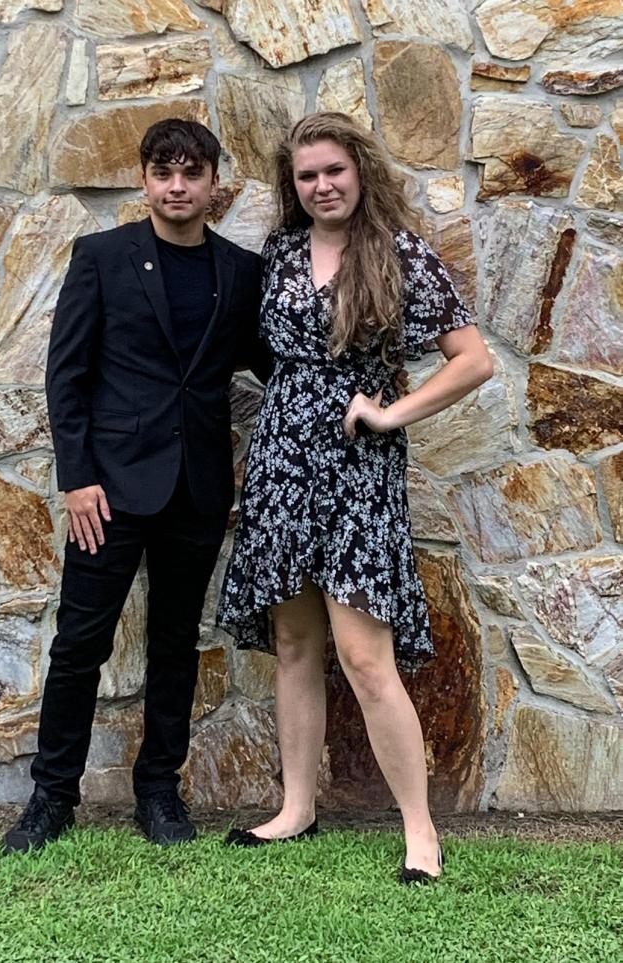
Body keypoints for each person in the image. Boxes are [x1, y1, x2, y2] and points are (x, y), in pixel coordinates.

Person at [217, 112, 493, 883]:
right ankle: (296, 808)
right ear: (292, 186)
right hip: (280, 462)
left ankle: (419, 832)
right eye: (307, 176)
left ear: (359, 171)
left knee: (365, 655)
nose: (322, 185)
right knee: (296, 643)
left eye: (333, 170)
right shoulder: (277, 251)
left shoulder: (400, 253)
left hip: (356, 467)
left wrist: (390, 411)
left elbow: (471, 361)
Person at [2, 119, 271, 854]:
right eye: (163, 171)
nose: (177, 186)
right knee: (79, 644)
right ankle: (51, 796)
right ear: (143, 180)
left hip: (197, 488)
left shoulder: (241, 271)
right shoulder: (101, 257)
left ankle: (159, 791)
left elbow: (270, 362)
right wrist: (77, 476)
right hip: (109, 491)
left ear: (215, 182)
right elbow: (67, 375)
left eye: (191, 172)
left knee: (176, 643)